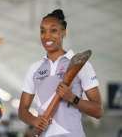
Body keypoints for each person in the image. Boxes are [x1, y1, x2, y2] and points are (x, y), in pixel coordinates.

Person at [18, 9, 103, 137]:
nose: (47, 36)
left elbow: (98, 111)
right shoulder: (34, 69)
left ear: (64, 32)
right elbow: (22, 111)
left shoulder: (81, 64)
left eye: (53, 30)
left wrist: (72, 98)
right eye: (42, 31)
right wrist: (34, 120)